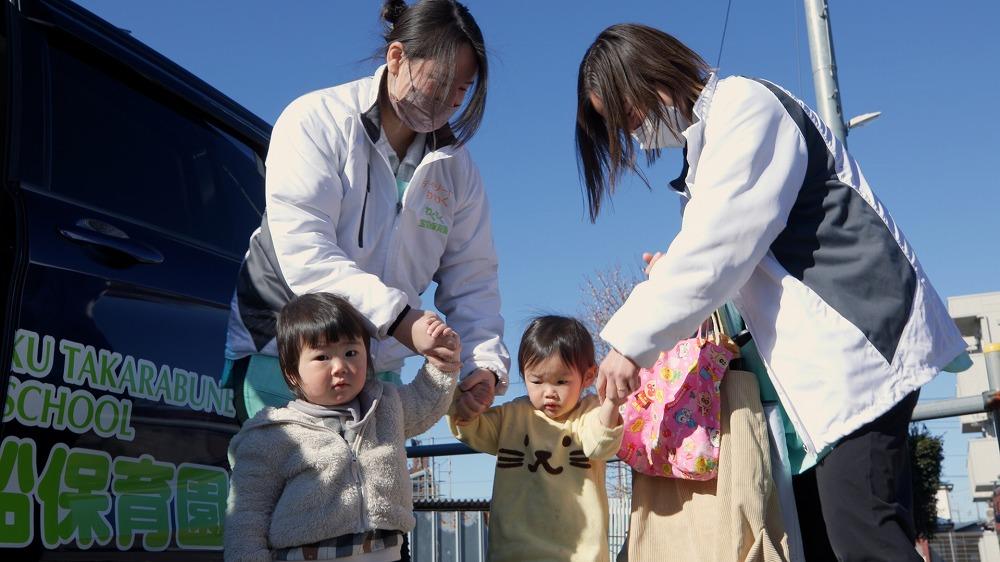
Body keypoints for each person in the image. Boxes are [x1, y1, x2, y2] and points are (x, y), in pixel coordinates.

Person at [574, 23, 967, 561]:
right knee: (831, 543)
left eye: (628, 112)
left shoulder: (744, 107)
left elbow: (719, 246)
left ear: (651, 73)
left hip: (856, 349)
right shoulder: (705, 150)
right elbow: (727, 255)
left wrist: (630, 343)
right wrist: (678, 273)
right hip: (818, 375)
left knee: (864, 538)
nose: (634, 130)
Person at [222, 0, 508, 426]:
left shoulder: (457, 169)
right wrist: (400, 320)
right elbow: (305, 250)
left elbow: (473, 278)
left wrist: (481, 364)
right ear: (397, 58)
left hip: (376, 367)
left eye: (462, 90)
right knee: (280, 469)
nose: (449, 101)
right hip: (285, 356)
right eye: (441, 82)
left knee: (375, 473)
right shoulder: (317, 120)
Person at [224, 292, 460, 562]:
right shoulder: (272, 434)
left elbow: (426, 400)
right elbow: (247, 513)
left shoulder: (386, 406)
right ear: (292, 372)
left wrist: (444, 359)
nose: (339, 366)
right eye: (322, 357)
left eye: (351, 353)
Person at [449, 316, 625, 562]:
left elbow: (600, 445)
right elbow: (472, 428)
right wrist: (465, 403)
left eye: (561, 381)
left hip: (581, 555)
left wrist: (611, 404)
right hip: (513, 553)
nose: (549, 392)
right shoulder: (513, 416)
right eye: (537, 381)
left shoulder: (589, 414)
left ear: (588, 376)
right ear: (523, 374)